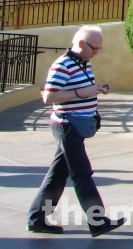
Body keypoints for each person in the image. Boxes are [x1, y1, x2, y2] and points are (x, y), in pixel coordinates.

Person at [27, 26, 125, 236]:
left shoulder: (82, 63)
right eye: (94, 48)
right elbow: (49, 97)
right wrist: (83, 92)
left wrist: (96, 90)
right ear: (81, 43)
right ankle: (97, 221)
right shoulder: (63, 65)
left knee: (57, 175)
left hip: (73, 126)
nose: (96, 53)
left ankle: (36, 218)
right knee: (82, 174)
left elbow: (78, 91)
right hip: (66, 126)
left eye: (99, 49)